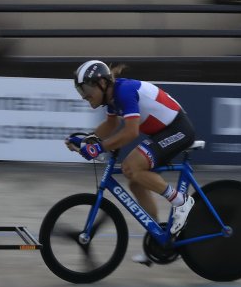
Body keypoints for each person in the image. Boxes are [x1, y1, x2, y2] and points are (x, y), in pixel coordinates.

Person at [65, 60, 197, 266]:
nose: (84, 96)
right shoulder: (111, 98)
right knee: (136, 182)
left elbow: (131, 132)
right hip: (163, 132)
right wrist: (86, 142)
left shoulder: (124, 91)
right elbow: (110, 125)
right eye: (81, 91)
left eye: (87, 90)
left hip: (178, 129)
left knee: (131, 167)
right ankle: (158, 238)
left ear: (102, 83)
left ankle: (181, 201)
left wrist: (99, 147)